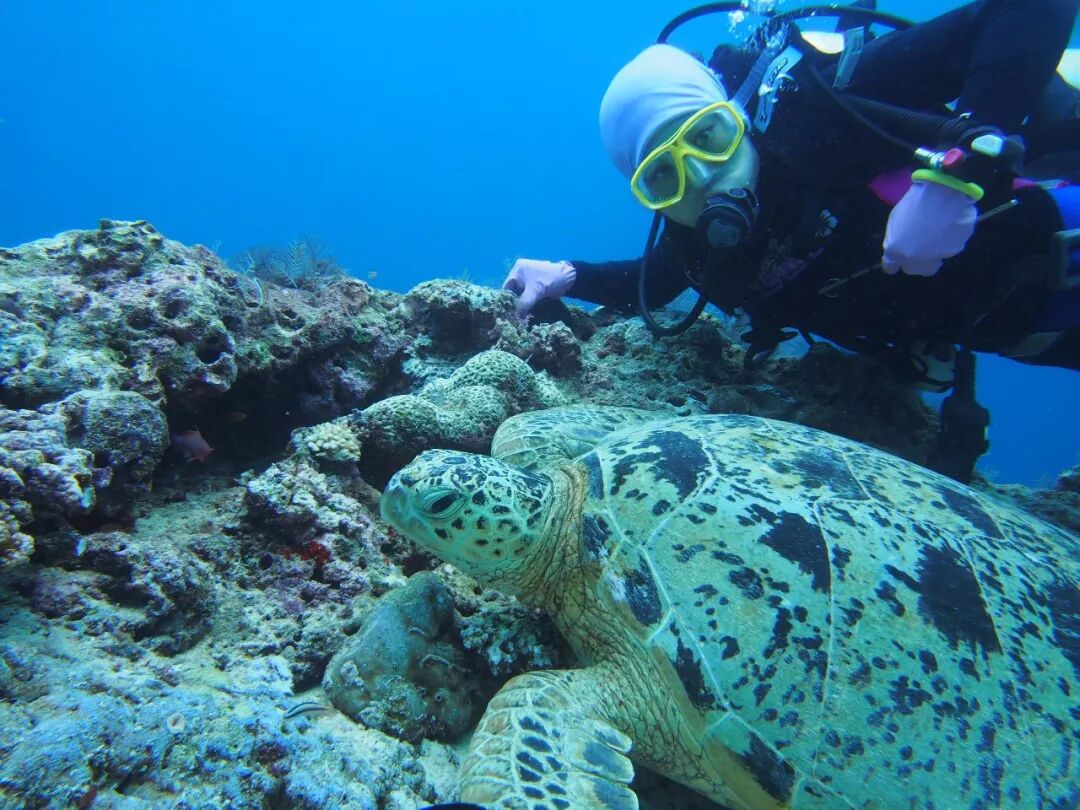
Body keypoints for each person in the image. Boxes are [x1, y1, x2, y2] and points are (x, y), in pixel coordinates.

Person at [501, 0, 1080, 483]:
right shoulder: (700, 247)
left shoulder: (822, 110)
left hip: (1060, 239)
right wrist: (569, 274)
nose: (701, 176)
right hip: (1022, 336)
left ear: (738, 112)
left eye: (709, 135)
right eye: (663, 175)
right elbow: (651, 282)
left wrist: (955, 180)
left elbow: (1033, 9)